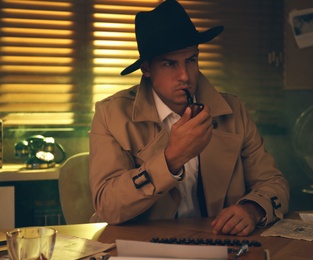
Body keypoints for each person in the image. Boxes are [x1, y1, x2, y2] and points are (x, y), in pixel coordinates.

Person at [89, 0, 289, 237]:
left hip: (218, 239)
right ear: (147, 68)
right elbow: (107, 206)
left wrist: (253, 209)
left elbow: (274, 183)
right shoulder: (111, 115)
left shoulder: (233, 111)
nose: (185, 76)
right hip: (142, 246)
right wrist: (171, 159)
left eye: (191, 60)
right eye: (169, 63)